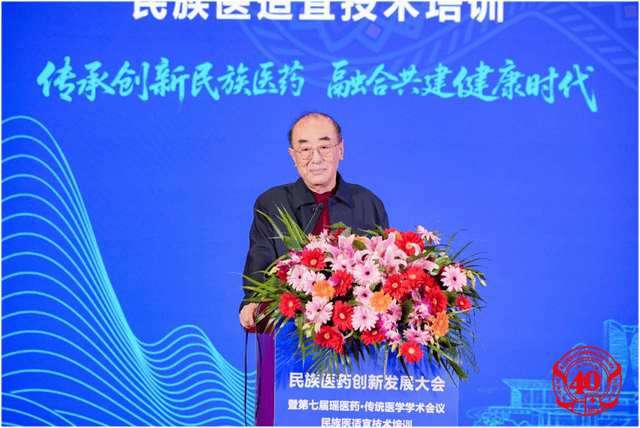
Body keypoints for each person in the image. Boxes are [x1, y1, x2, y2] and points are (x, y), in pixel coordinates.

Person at [239, 112, 389, 330]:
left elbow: (382, 271)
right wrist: (253, 302)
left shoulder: (368, 202)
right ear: (293, 156)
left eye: (324, 147)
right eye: (305, 149)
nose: (315, 158)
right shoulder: (272, 203)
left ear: (340, 150)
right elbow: (260, 260)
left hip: (354, 330)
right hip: (290, 327)